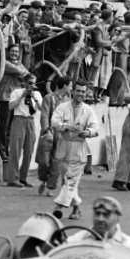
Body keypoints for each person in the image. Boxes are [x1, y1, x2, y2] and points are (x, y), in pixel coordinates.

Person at [49, 79, 101, 218]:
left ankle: (58, 207)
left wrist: (87, 132)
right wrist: (65, 126)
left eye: (83, 92)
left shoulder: (88, 110)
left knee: (70, 179)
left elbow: (95, 128)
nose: (80, 94)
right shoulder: (62, 107)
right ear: (73, 91)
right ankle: (76, 208)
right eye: (78, 91)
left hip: (79, 149)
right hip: (63, 147)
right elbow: (54, 122)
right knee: (68, 180)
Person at [4, 74, 41, 189]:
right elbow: (10, 106)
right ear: (24, 83)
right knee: (15, 149)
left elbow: (41, 108)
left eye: (33, 83)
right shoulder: (17, 92)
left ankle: (23, 177)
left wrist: (34, 97)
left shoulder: (37, 94)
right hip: (19, 119)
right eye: (30, 83)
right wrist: (22, 96)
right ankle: (12, 178)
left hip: (30, 120)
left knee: (29, 150)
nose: (32, 86)